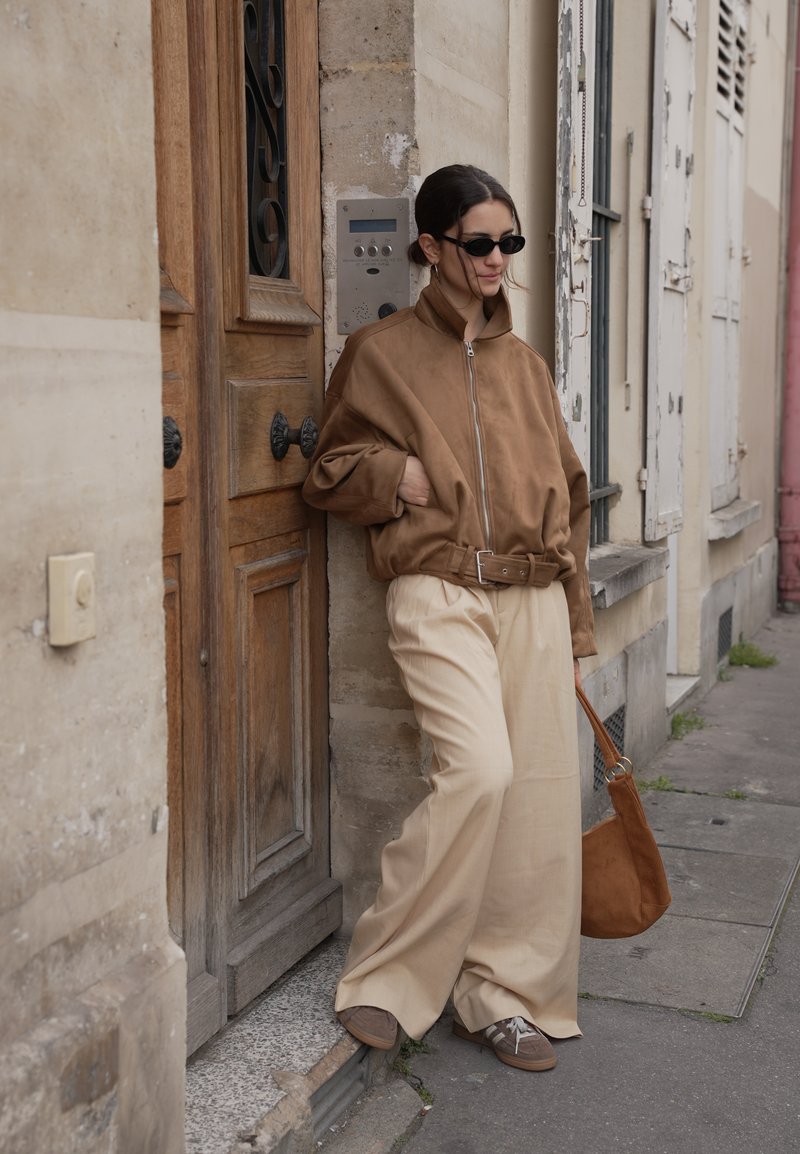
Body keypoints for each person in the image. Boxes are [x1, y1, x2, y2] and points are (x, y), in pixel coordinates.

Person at [302, 164, 597, 1073]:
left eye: (509, 243)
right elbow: (326, 470)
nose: (497, 260)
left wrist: (577, 629)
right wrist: (399, 478)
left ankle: (500, 996)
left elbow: (573, 501)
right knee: (477, 773)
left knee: (539, 801)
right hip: (438, 590)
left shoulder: (526, 365)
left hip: (534, 596)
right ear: (430, 246)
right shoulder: (380, 352)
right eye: (478, 244)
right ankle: (386, 980)